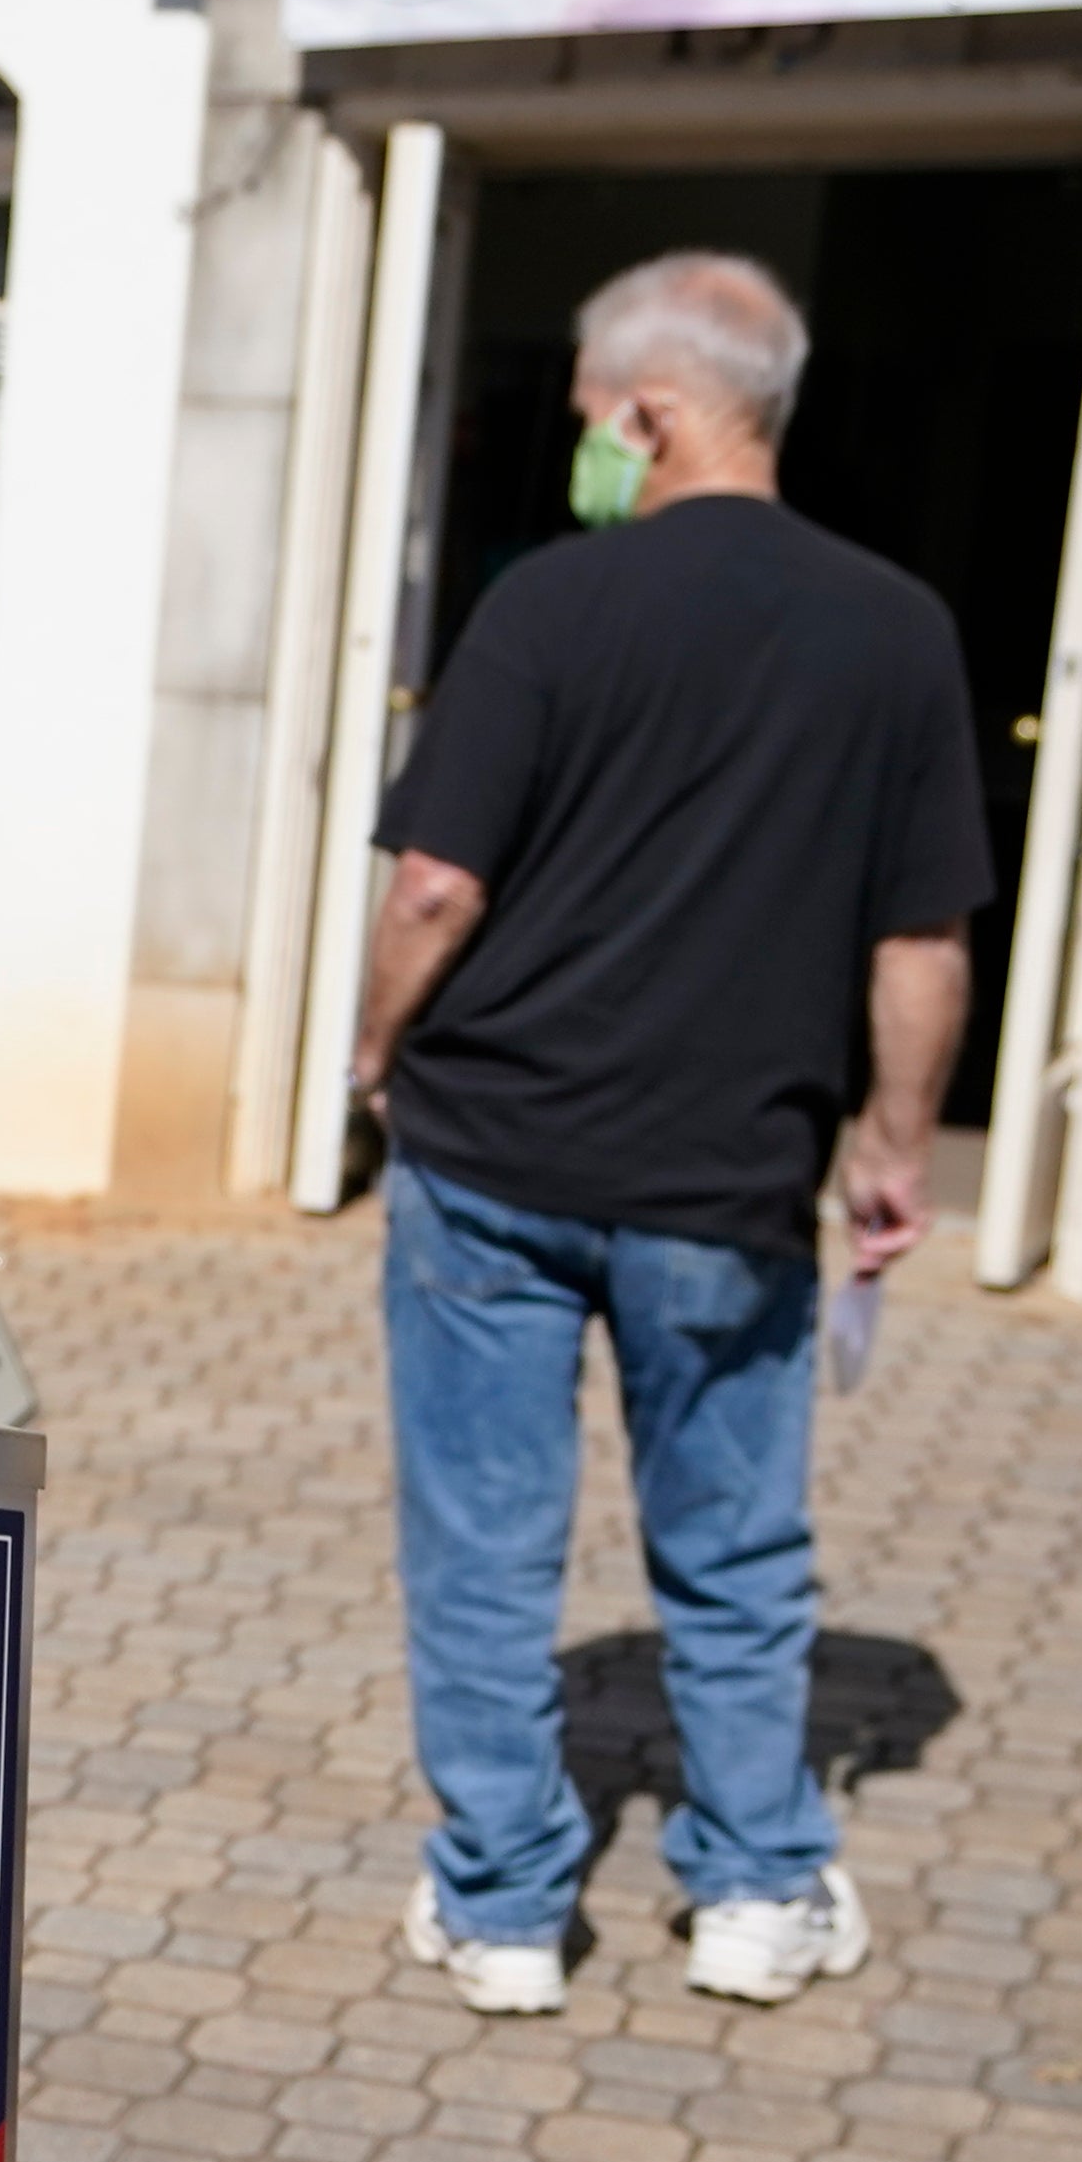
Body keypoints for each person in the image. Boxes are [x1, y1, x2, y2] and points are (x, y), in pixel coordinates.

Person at [344, 251, 987, 2019]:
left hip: (492, 1156)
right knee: (732, 1547)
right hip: (726, 1173)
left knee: (481, 1547)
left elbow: (431, 881)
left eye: (583, 421)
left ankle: (495, 1913)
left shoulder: (546, 608)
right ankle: (756, 1892)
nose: (579, 453)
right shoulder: (894, 629)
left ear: (650, 413)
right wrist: (892, 1144)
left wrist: (369, 1049)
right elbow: (919, 940)